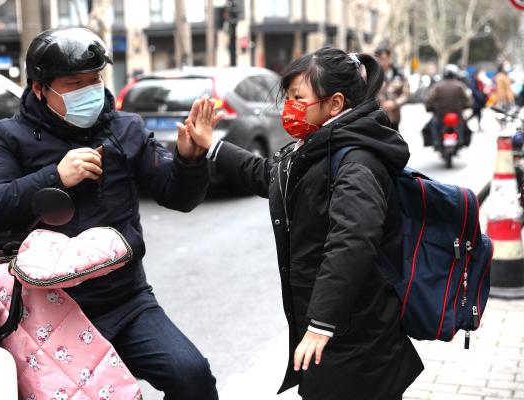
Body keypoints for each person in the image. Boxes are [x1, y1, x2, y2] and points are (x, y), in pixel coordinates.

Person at [0, 27, 218, 400]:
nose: (89, 90)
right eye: (74, 83)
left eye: (94, 79)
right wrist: (55, 177)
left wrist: (190, 159)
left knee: (192, 376)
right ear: (40, 89)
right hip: (44, 311)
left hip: (126, 301)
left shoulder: (125, 129)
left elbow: (178, 196)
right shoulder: (9, 137)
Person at [180, 47, 424, 400]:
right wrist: (213, 147)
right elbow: (271, 177)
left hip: (354, 335)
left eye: (298, 98)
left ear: (335, 104)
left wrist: (320, 326)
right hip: (341, 329)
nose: (288, 108)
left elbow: (352, 242)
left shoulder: (355, 161)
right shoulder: (321, 146)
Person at [424, 64, 472, 148]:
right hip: (457, 113)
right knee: (463, 125)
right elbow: (468, 100)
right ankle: (460, 140)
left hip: (440, 114)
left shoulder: (437, 86)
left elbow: (429, 100)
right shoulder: (460, 86)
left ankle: (436, 141)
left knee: (433, 125)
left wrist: (428, 107)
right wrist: (467, 106)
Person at [375, 47, 410, 131]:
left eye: (384, 59)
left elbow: (406, 94)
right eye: (379, 59)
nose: (382, 62)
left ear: (389, 58)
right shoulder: (372, 75)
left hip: (394, 117)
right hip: (376, 118)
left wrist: (394, 103)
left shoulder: (399, 75)